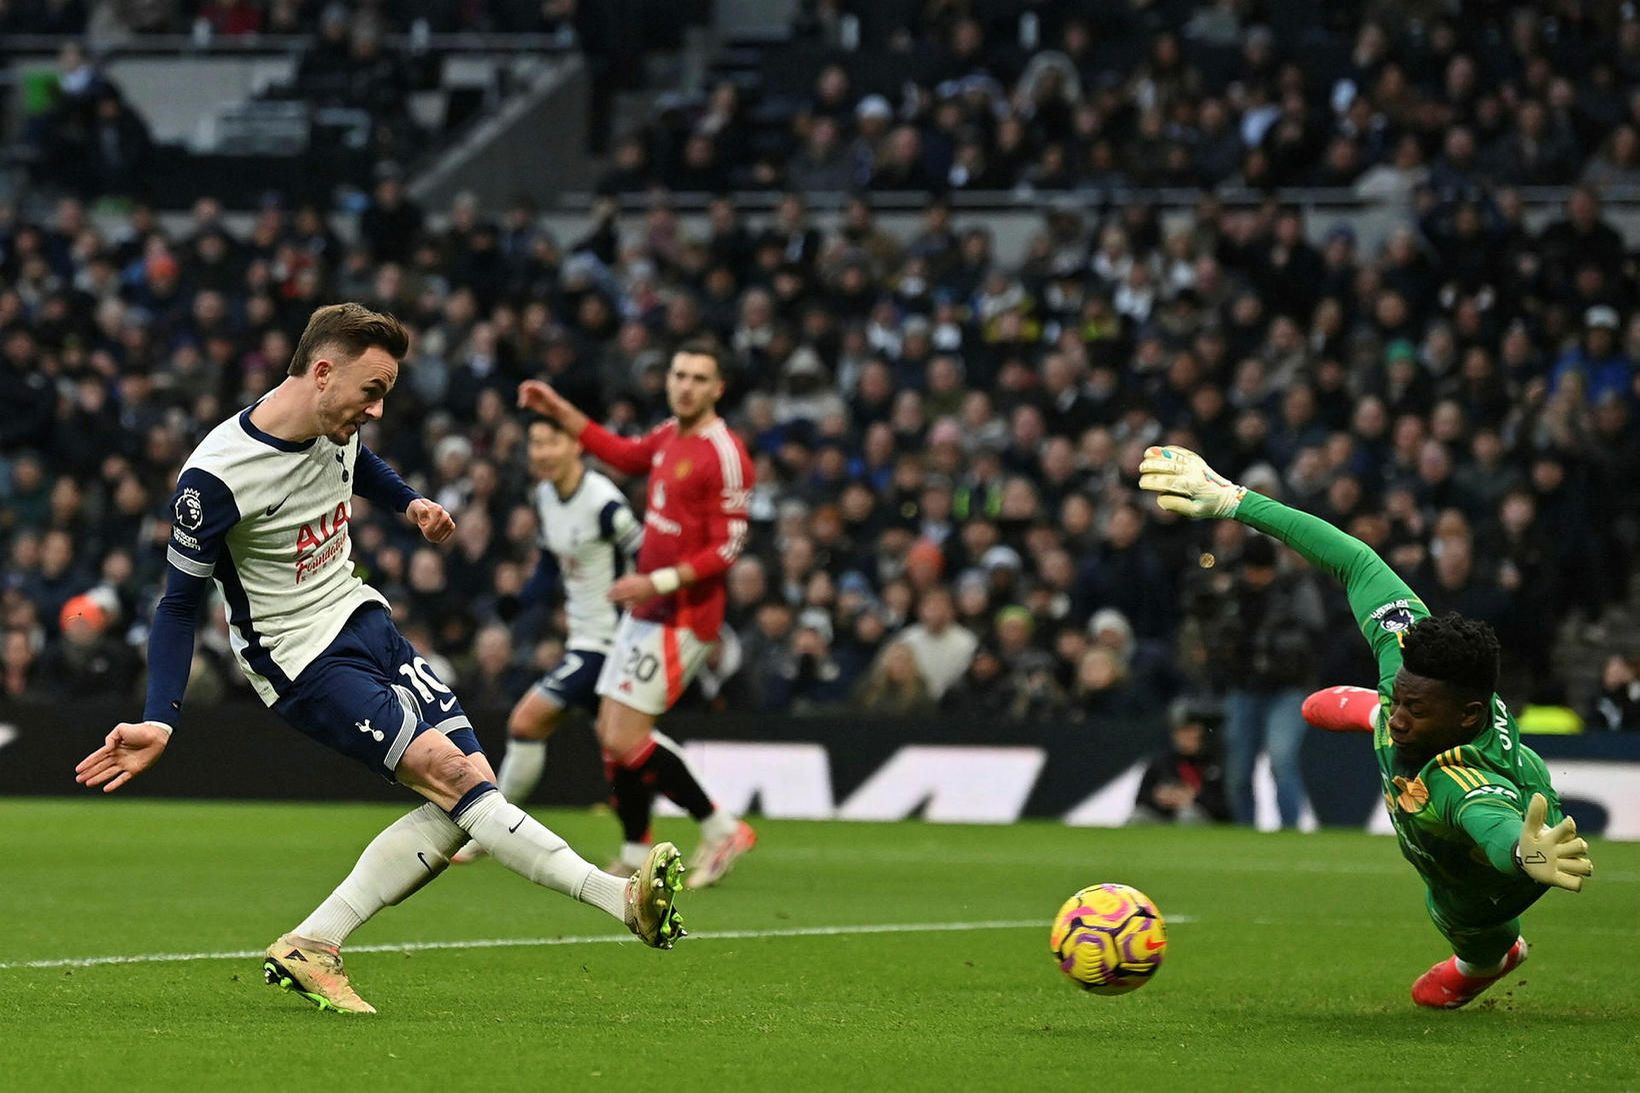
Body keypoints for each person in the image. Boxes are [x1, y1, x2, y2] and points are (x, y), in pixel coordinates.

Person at [74, 304, 686, 1016]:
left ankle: (315, 941)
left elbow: (356, 462)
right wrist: (162, 719)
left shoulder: (337, 424)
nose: (377, 407)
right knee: (458, 780)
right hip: (301, 658)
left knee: (471, 794)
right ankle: (621, 900)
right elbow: (179, 605)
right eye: (371, 390)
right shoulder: (214, 479)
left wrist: (410, 502)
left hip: (363, 619)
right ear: (323, 372)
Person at [1138, 445, 1593, 1009]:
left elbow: (1494, 828)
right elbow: (1354, 560)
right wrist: (1237, 501)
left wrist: (1524, 857)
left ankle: (1488, 959)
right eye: (1397, 698)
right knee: (1358, 717)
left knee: (1460, 919)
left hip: (1494, 874)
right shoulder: (1416, 655)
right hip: (1478, 800)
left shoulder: (1463, 782)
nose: (1402, 715)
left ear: (1467, 717)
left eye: (1415, 709)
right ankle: (1367, 710)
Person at [518, 339, 757, 888]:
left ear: (718, 388)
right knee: (612, 734)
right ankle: (633, 846)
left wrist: (657, 579)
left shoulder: (724, 452)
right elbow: (623, 453)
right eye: (678, 374)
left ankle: (722, 829)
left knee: (627, 736)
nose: (685, 386)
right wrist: (559, 411)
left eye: (698, 378)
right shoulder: (671, 436)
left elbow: (728, 548)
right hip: (646, 608)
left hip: (683, 614)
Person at [452, 414, 643, 865]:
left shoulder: (605, 504)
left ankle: (489, 827)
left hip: (610, 642)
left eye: (550, 442)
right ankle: (713, 827)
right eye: (535, 444)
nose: (541, 453)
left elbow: (645, 552)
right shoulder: (544, 497)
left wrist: (646, 607)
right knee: (630, 744)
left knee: (526, 722)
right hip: (585, 638)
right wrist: (521, 604)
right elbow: (550, 567)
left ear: (576, 445)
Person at [1131, 700, 1230, 824]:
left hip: (1206, 822)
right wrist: (1159, 796)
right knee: (1138, 817)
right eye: (1180, 731)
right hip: (1165, 818)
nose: (1185, 737)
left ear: (1202, 732)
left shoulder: (1218, 762)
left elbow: (1227, 806)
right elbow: (1140, 798)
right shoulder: (1162, 762)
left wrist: (1194, 798)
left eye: (1190, 730)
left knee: (1187, 815)